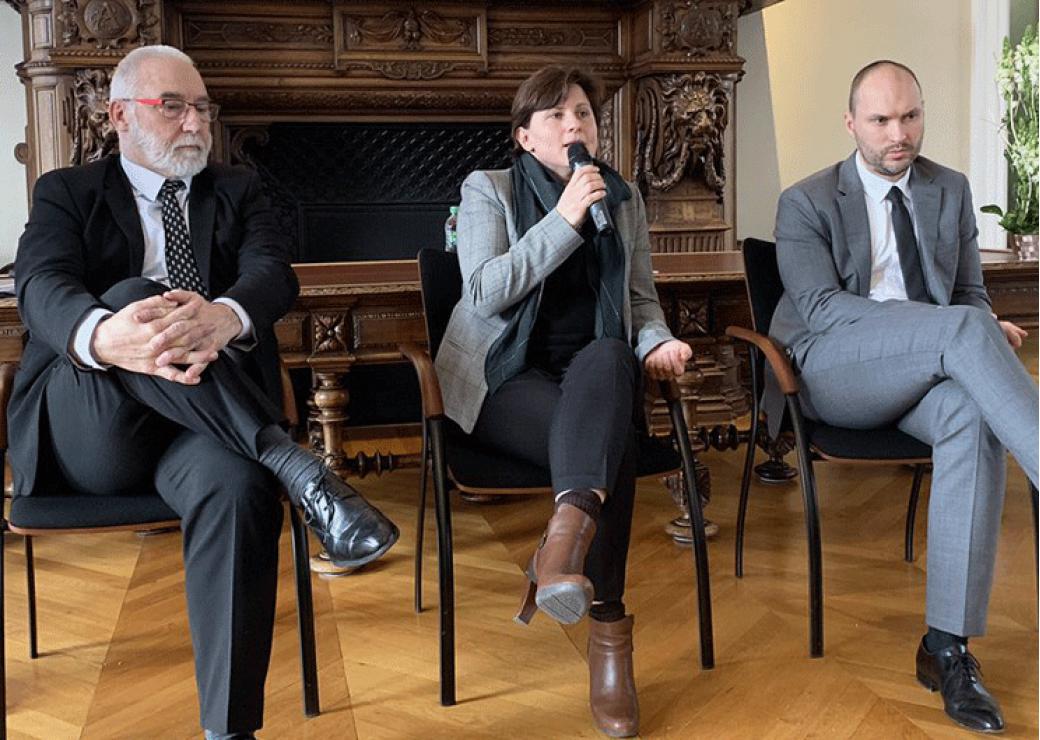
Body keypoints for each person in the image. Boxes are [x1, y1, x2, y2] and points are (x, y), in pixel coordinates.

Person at [11, 45, 399, 739]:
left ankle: (229, 730)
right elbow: (40, 286)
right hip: (93, 427)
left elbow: (272, 275)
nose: (196, 123)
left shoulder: (239, 189)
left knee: (237, 488)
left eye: (203, 107)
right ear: (120, 116)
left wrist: (225, 316)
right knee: (136, 297)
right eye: (174, 106)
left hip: (201, 431)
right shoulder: (66, 192)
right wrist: (106, 336)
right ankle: (295, 462)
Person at [768, 60, 1039, 734]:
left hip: (931, 369)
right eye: (883, 120)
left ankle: (946, 647)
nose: (900, 133)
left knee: (973, 415)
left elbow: (969, 296)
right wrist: (955, 328)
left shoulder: (949, 188)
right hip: (835, 370)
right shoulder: (805, 201)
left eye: (911, 116)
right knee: (964, 333)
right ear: (851, 122)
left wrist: (976, 325)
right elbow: (824, 311)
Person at [434, 65, 692, 738]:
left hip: (592, 375)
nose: (575, 125)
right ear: (525, 137)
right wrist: (565, 217)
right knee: (608, 445)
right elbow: (487, 292)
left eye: (583, 112)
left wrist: (660, 344)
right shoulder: (487, 190)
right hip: (505, 379)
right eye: (555, 116)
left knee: (611, 364)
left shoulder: (625, 200)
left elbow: (640, 305)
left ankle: (563, 553)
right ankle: (608, 634)